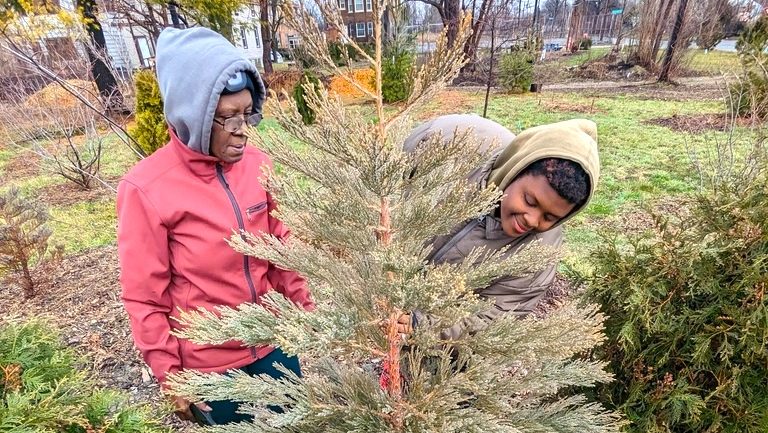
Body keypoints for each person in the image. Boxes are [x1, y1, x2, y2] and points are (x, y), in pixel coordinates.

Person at [117, 27, 313, 426]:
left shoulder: (259, 164)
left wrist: (309, 317)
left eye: (247, 112)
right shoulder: (146, 189)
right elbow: (144, 298)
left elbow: (282, 251)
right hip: (212, 368)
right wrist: (172, 377)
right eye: (227, 117)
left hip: (275, 344)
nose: (243, 128)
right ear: (193, 115)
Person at [398, 114, 599, 338]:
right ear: (514, 171)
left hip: (435, 321)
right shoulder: (454, 143)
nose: (532, 220)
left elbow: (493, 320)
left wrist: (423, 325)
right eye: (530, 201)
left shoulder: (538, 255)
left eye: (550, 217)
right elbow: (389, 180)